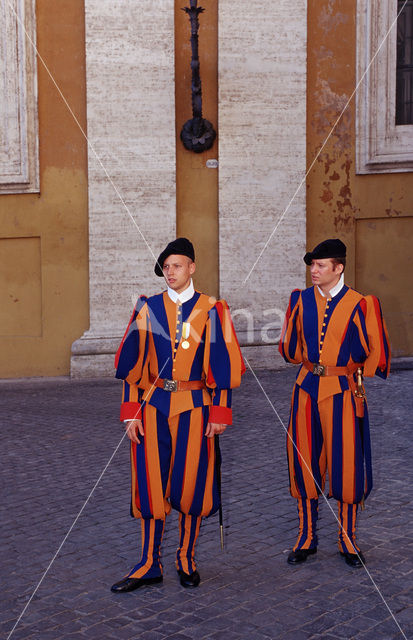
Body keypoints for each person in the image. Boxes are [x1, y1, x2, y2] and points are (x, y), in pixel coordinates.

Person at [111, 237, 245, 592]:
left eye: (177, 266)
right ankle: (147, 563)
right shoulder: (148, 307)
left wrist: (220, 412)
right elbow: (133, 368)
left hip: (196, 407)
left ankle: (186, 557)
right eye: (166, 267)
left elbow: (224, 365)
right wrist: (130, 414)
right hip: (152, 406)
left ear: (192, 268)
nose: (171, 272)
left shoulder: (214, 310)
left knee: (192, 484)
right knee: (150, 484)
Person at [279, 239, 390, 568]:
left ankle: (348, 537)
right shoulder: (300, 301)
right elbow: (291, 348)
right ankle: (306, 535)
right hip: (306, 387)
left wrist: (356, 371)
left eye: (320, 265)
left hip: (343, 390)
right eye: (311, 265)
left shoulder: (361, 303)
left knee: (347, 462)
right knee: (303, 459)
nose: (313, 271)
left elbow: (377, 350)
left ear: (338, 268)